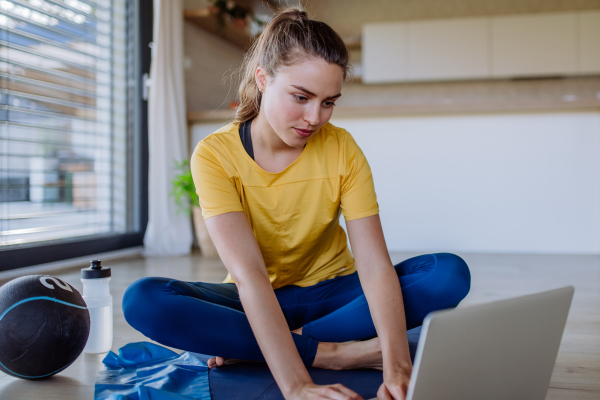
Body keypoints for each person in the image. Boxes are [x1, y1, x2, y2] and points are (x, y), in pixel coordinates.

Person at [123, 8, 470, 400]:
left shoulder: (342, 149)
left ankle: (270, 346)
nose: (314, 117)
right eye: (301, 97)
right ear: (262, 79)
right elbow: (250, 275)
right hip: (254, 298)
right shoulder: (214, 155)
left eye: (328, 102)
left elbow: (374, 266)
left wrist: (397, 365)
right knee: (145, 300)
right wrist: (297, 384)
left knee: (447, 274)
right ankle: (333, 353)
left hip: (334, 293)